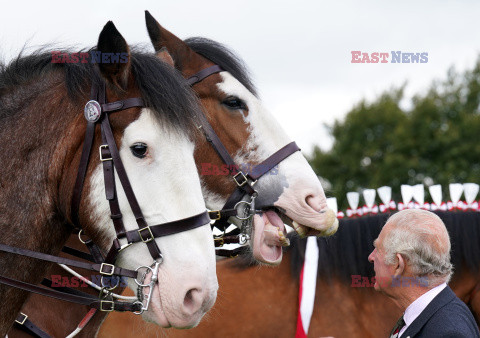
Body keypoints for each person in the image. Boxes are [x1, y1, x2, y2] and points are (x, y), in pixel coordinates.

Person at [368, 209, 480, 337]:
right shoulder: (431, 316)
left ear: (398, 264)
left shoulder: (448, 332)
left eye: (378, 249)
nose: (371, 257)